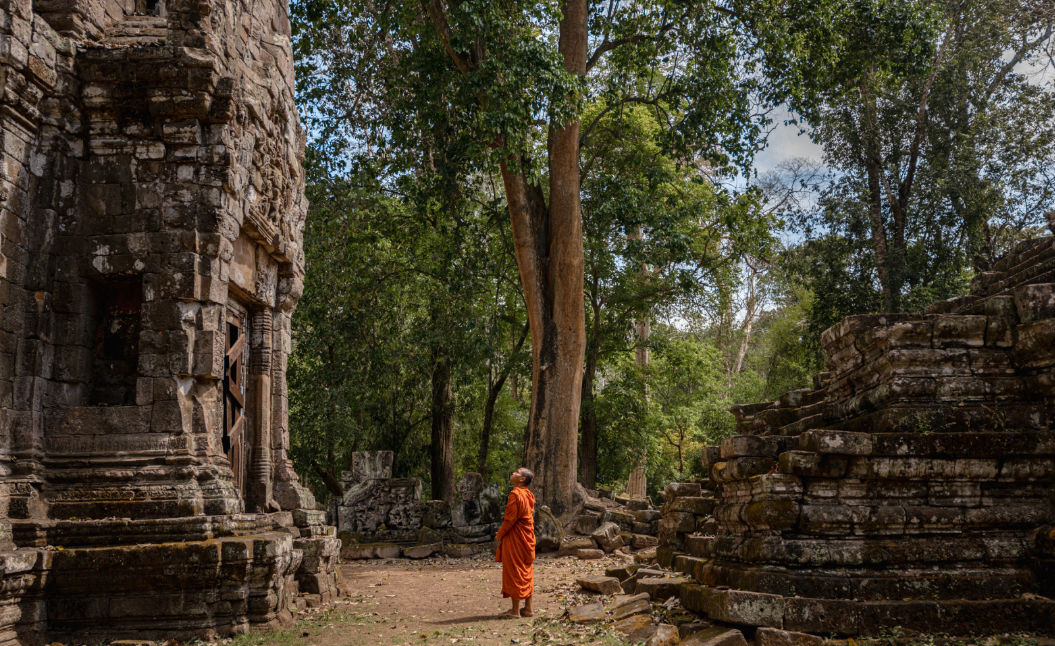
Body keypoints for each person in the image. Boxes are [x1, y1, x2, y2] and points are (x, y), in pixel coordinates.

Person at [495, 467, 536, 618]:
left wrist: (500, 534)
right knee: (526, 570)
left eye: (517, 472)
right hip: (527, 538)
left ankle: (515, 611)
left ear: (521, 479)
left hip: (516, 538)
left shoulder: (516, 494)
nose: (513, 472)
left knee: (515, 571)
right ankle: (528, 609)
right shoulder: (529, 495)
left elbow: (509, 519)